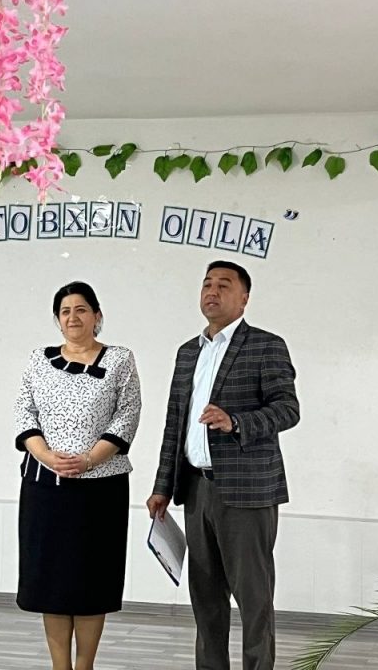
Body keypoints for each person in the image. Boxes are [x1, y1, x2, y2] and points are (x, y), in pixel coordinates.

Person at [146, 261, 300, 670]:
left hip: (247, 492)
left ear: (244, 299)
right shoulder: (187, 353)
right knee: (206, 600)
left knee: (254, 599)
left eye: (224, 285)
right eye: (207, 284)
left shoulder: (266, 345)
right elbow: (174, 424)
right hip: (196, 490)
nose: (212, 292)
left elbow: (288, 409)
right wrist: (162, 486)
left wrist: (237, 422)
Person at [14, 281, 141, 670]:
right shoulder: (39, 359)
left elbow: (128, 413)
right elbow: (24, 410)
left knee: (91, 581)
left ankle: (85, 665)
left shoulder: (119, 359)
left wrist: (88, 460)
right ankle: (60, 666)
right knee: (50, 581)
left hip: (101, 491)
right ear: (58, 319)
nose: (73, 317)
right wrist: (46, 456)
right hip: (45, 488)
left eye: (81, 309)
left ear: (97, 316)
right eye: (65, 311)